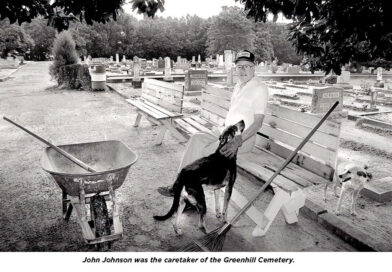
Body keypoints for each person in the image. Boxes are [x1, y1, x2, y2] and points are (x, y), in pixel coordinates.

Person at [158, 50, 269, 197]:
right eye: (239, 66)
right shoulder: (239, 85)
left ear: (253, 67)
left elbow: (258, 122)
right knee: (196, 139)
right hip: (225, 132)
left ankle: (188, 192)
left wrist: (238, 140)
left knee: (204, 154)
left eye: (246, 66)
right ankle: (179, 185)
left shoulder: (259, 88)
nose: (242, 70)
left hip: (242, 140)